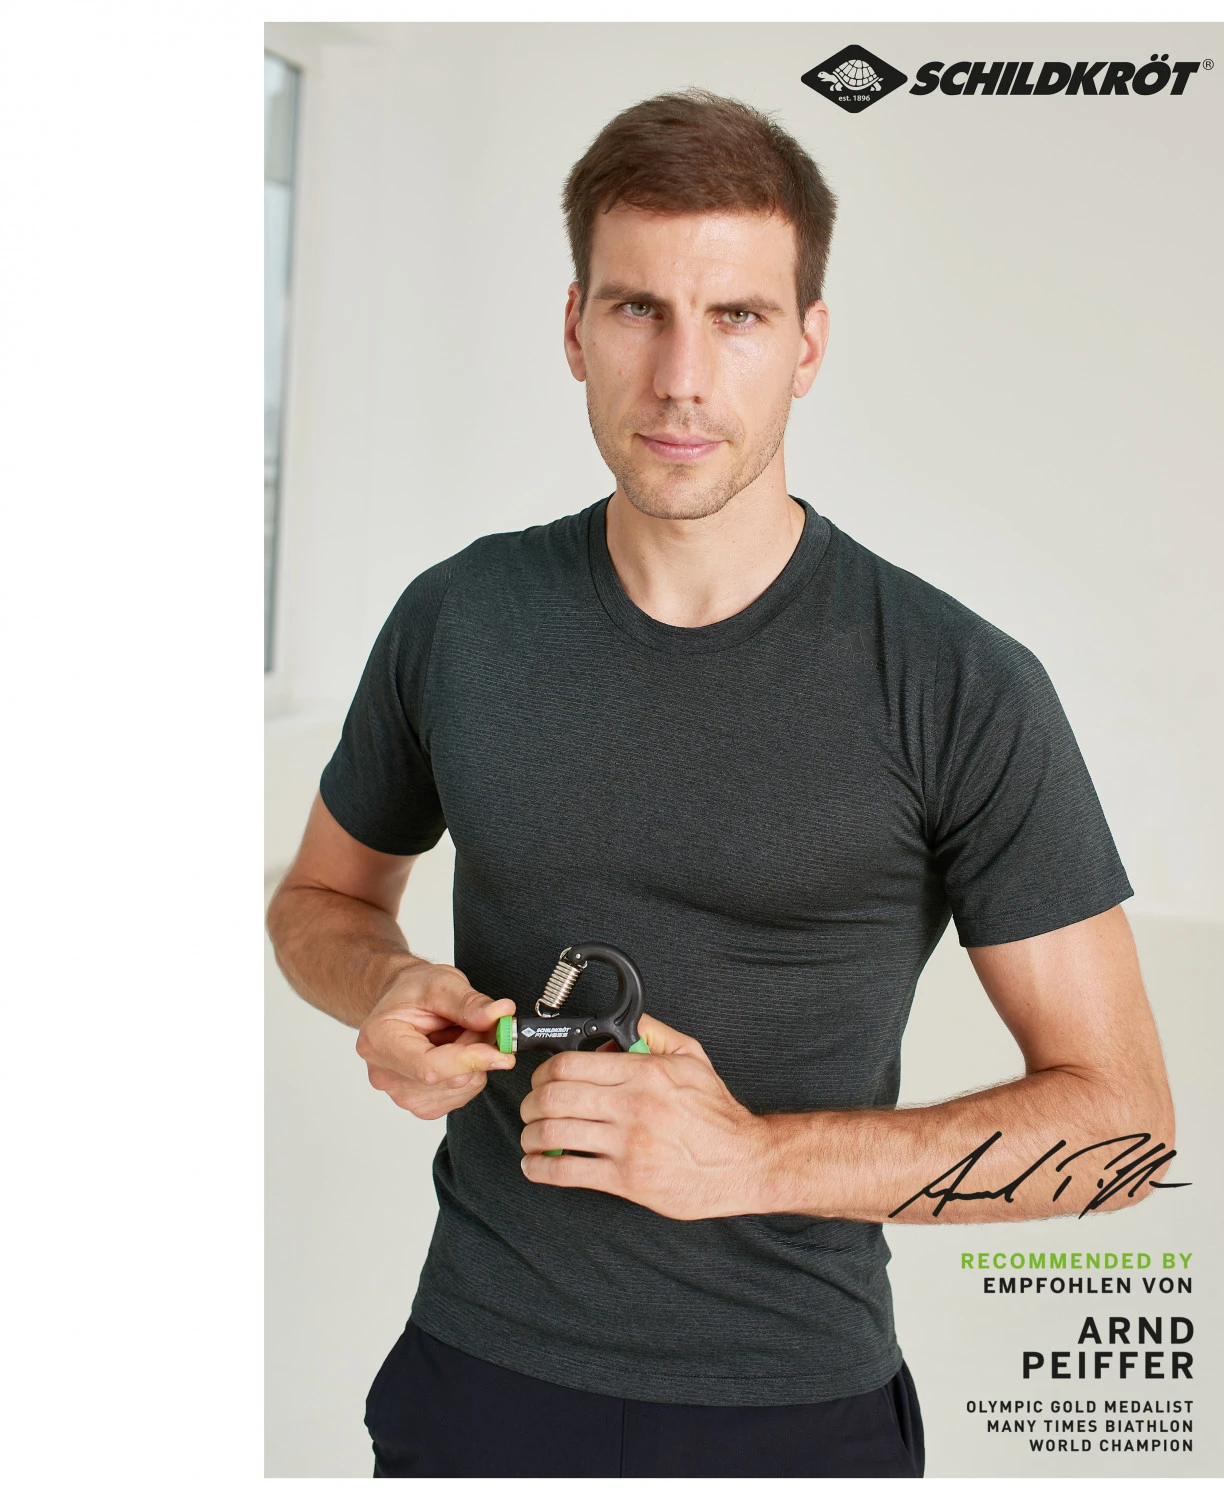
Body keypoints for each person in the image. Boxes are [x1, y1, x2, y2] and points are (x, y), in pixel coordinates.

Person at [266, 88, 1176, 1480]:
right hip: (473, 1384)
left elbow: (1121, 1132)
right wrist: (385, 986)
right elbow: (318, 904)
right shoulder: (461, 618)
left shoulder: (958, 682)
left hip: (792, 1415)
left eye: (737, 316)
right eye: (638, 309)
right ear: (574, 328)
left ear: (808, 343)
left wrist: (754, 1161)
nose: (681, 377)